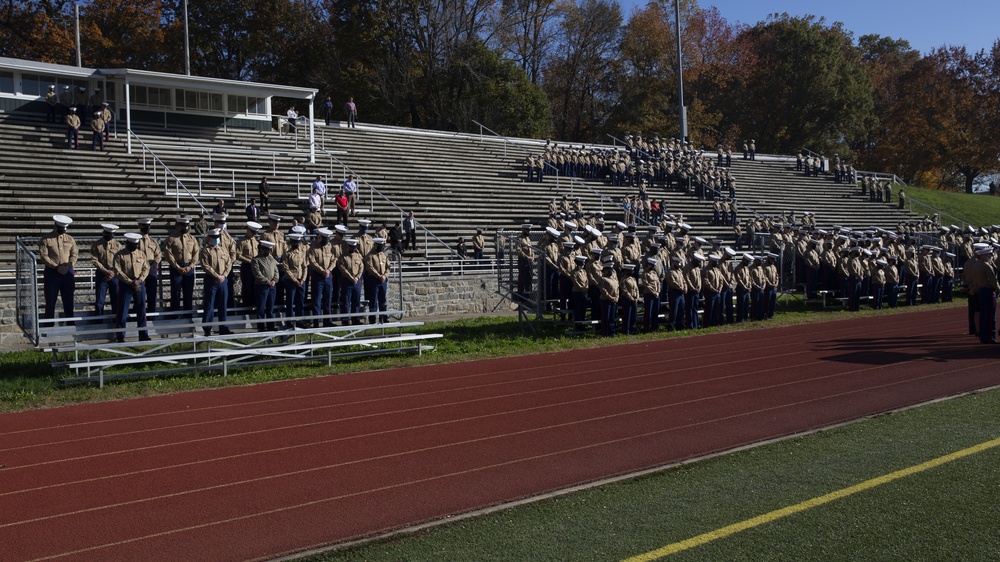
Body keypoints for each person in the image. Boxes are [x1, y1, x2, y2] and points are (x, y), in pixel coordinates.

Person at [113, 233, 152, 342]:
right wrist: (130, 282)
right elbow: (117, 271)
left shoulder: (141, 254)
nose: (135, 246)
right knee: (122, 310)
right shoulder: (119, 255)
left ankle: (143, 333)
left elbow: (146, 268)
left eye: (136, 244)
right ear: (127, 243)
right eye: (132, 244)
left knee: (141, 309)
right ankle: (120, 335)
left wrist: (139, 280)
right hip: (126, 284)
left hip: (139, 283)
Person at [40, 215, 78, 321]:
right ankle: (49, 325)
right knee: (50, 300)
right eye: (60, 229)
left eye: (64, 229)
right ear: (55, 226)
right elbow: (44, 255)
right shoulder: (46, 239)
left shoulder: (70, 239)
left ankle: (70, 325)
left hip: (67, 272)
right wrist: (56, 267)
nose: (62, 231)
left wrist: (69, 265)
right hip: (52, 272)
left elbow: (74, 254)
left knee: (69, 300)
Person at [200, 229, 233, 336]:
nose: (216, 240)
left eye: (217, 238)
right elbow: (205, 266)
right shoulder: (205, 251)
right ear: (209, 238)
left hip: (223, 280)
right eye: (213, 238)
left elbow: (229, 263)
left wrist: (224, 275)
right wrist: (217, 276)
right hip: (212, 280)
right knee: (209, 305)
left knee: (223, 304)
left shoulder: (223, 249)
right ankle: (207, 328)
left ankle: (223, 327)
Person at [163, 217, 199, 311]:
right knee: (175, 293)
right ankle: (174, 314)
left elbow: (196, 253)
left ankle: (188, 313)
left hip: (189, 268)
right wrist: (177, 267)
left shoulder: (192, 239)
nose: (186, 227)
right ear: (178, 226)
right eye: (183, 226)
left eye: (187, 225)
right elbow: (168, 254)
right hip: (176, 268)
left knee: (188, 293)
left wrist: (190, 266)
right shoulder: (171, 239)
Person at [308, 228, 338, 327]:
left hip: (328, 276)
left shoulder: (330, 247)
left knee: (327, 300)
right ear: (320, 237)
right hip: (318, 276)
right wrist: (322, 270)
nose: (326, 241)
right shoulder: (313, 248)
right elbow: (312, 262)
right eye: (324, 238)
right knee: (316, 300)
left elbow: (334, 260)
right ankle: (316, 322)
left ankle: (327, 321)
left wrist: (329, 270)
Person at [92, 223, 121, 319]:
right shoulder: (97, 245)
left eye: (111, 235)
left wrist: (112, 271)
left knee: (116, 299)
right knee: (100, 299)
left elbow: (120, 260)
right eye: (107, 234)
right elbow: (95, 260)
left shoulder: (118, 245)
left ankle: (115, 320)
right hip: (102, 273)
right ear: (104, 233)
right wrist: (105, 271)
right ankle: (98, 320)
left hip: (114, 273)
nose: (109, 236)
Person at [252, 240, 279, 331]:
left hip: (272, 287)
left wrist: (274, 280)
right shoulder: (256, 260)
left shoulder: (271, 259)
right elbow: (257, 274)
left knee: (270, 308)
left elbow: (276, 271)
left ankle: (270, 326)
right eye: (266, 249)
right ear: (261, 249)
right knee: (261, 308)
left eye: (269, 250)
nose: (267, 252)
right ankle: (261, 327)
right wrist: (267, 281)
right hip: (261, 286)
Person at [283, 232, 309, 328]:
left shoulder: (302, 253)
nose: (297, 244)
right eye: (295, 242)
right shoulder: (287, 254)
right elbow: (286, 269)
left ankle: (299, 321)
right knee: (290, 302)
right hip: (291, 281)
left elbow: (304, 267)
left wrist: (303, 279)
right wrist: (295, 280)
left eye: (298, 242)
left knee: (300, 302)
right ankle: (289, 322)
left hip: (301, 281)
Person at [339, 238, 364, 325]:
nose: (352, 248)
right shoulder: (343, 257)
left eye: (354, 247)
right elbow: (343, 269)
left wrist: (357, 277)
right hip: (347, 281)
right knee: (346, 302)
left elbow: (361, 267)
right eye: (351, 247)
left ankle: (355, 319)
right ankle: (345, 320)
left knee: (356, 301)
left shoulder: (358, 256)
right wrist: (351, 278)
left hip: (357, 281)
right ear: (348, 247)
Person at [364, 238, 390, 324]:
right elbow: (370, 268)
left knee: (383, 300)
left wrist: (384, 275)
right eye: (379, 246)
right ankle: (372, 319)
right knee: (373, 300)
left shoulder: (383, 255)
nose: (380, 248)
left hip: (383, 280)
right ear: (375, 245)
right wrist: (379, 276)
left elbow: (388, 267)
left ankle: (383, 318)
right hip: (374, 280)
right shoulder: (370, 256)